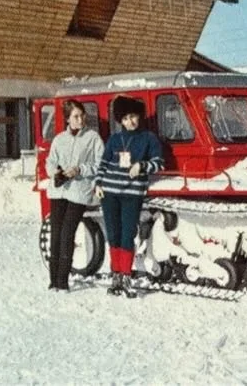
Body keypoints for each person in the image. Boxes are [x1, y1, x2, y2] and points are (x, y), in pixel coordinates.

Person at [95, 97, 163, 298]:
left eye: (132, 117)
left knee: (127, 235)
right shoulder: (115, 139)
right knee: (113, 235)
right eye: (125, 118)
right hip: (109, 193)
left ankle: (126, 276)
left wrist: (142, 166)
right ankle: (115, 276)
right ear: (120, 121)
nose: (130, 122)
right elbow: (104, 163)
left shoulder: (148, 138)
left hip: (132, 194)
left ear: (138, 116)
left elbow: (159, 162)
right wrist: (98, 183)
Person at [44, 101, 102, 292]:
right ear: (68, 118)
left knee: (67, 234)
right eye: (76, 116)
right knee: (56, 235)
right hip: (59, 190)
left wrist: (80, 169)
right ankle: (53, 281)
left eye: (82, 115)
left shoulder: (93, 138)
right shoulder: (59, 139)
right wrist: (56, 172)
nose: (80, 119)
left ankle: (63, 281)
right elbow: (50, 162)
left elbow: (100, 164)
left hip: (79, 191)